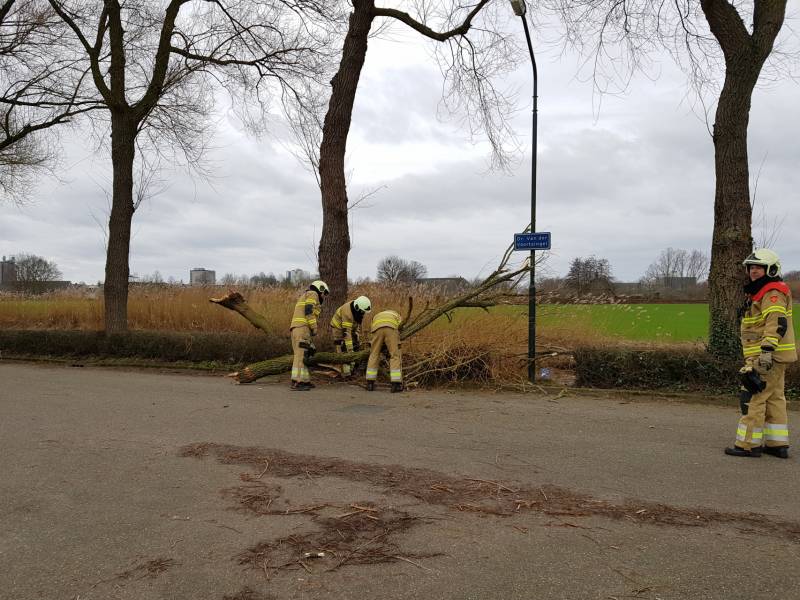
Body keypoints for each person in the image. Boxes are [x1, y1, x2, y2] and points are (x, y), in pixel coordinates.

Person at [725, 248, 796, 458]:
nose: (754, 271)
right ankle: (777, 444)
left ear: (771, 270)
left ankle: (748, 444)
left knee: (753, 396)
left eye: (759, 267)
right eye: (752, 267)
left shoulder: (772, 292)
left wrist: (766, 352)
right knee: (774, 398)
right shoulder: (762, 291)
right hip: (775, 357)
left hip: (766, 356)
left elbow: (776, 322)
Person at [289, 280, 329, 391]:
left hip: (296, 328)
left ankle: (304, 380)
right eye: (324, 293)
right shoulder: (313, 294)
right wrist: (314, 328)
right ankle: (298, 382)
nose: (323, 296)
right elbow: (309, 310)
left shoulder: (305, 295)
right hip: (303, 328)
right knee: (301, 355)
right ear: (320, 289)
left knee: (302, 355)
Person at [330, 295, 371, 377]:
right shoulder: (347, 313)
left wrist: (357, 337)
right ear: (357, 308)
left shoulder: (358, 309)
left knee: (356, 345)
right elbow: (346, 334)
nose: (363, 313)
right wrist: (350, 350)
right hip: (338, 328)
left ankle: (353, 368)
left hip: (350, 328)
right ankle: (346, 374)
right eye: (362, 311)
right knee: (342, 348)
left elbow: (356, 325)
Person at [365, 309, 403, 393]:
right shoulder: (396, 315)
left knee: (374, 354)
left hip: (377, 329)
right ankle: (395, 384)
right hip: (391, 329)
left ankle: (370, 383)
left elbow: (372, 327)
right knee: (394, 355)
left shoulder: (377, 315)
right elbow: (399, 327)